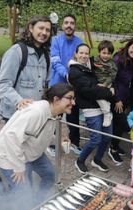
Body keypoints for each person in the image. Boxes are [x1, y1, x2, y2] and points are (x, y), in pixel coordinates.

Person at [0, 83, 75, 210]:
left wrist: (62, 137)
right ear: (56, 100)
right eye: (70, 98)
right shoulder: (37, 112)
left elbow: (51, 129)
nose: (73, 102)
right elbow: (12, 137)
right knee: (23, 199)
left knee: (50, 176)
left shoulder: (55, 112)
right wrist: (18, 167)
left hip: (31, 153)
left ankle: (34, 209)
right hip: (10, 156)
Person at [0, 15, 52, 120]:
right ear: (31, 28)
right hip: (15, 116)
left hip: (35, 116)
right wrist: (19, 101)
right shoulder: (16, 51)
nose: (44, 33)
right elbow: (1, 85)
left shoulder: (47, 56)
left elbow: (45, 85)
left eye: (47, 30)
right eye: (41, 28)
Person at [69, 44, 113, 173]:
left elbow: (106, 73)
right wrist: (108, 92)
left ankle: (97, 159)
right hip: (90, 108)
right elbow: (90, 91)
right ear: (76, 54)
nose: (84, 56)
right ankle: (80, 161)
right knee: (95, 139)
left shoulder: (89, 66)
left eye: (86, 53)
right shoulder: (74, 71)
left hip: (103, 107)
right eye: (81, 53)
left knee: (107, 137)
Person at [50, 14, 83, 154]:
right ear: (62, 25)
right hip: (57, 84)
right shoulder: (55, 41)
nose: (69, 25)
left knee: (73, 116)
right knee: (54, 116)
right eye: (66, 23)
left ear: (75, 26)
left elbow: (82, 60)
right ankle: (53, 144)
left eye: (72, 23)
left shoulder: (79, 41)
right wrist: (67, 75)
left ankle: (74, 143)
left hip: (73, 87)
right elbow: (56, 62)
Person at [108, 38, 133, 165]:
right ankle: (112, 148)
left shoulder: (132, 61)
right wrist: (116, 99)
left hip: (124, 97)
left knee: (118, 124)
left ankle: (115, 145)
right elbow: (112, 79)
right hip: (116, 97)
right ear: (128, 47)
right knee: (124, 124)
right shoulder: (118, 59)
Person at [92, 40, 117, 127]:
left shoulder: (112, 64)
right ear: (99, 52)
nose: (106, 56)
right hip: (97, 82)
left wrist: (105, 85)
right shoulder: (95, 59)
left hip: (106, 82)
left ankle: (107, 113)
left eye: (109, 53)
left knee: (100, 97)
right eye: (104, 53)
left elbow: (112, 76)